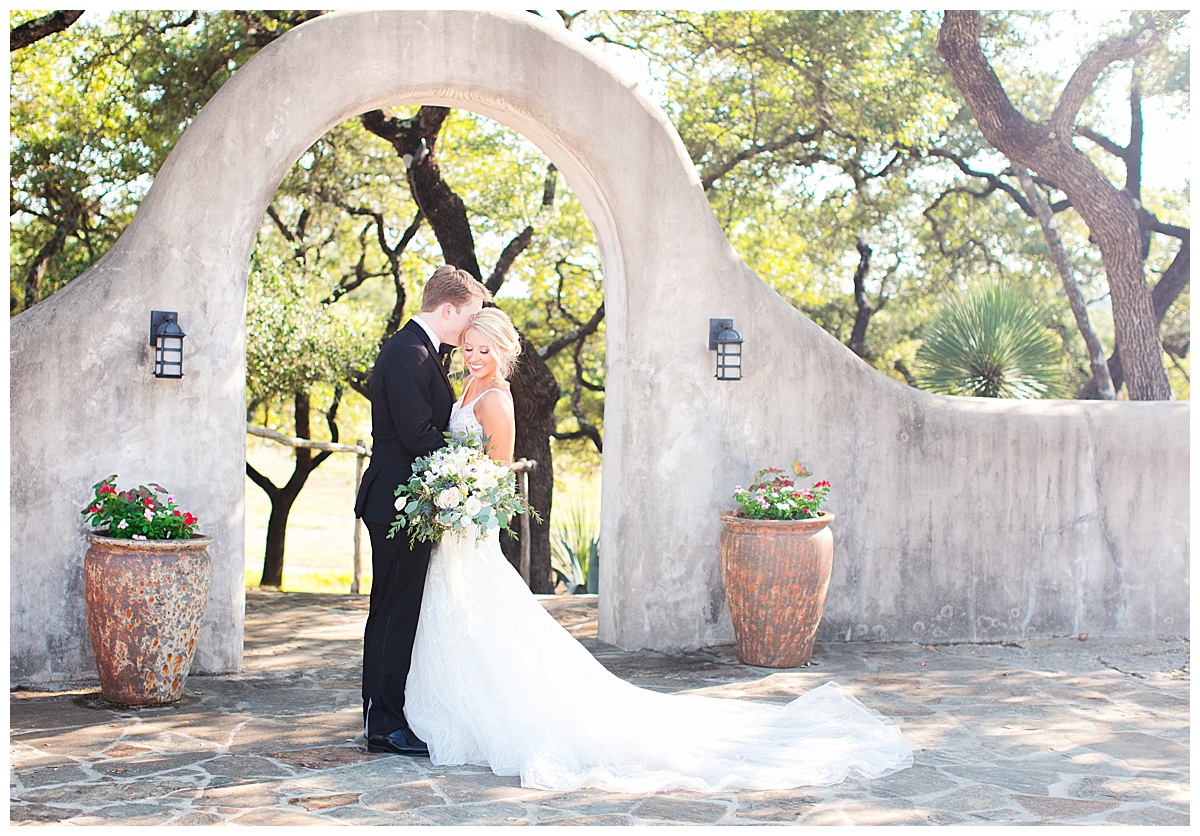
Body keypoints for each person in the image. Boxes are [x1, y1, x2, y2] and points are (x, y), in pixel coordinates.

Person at [403, 308, 916, 792]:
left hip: (471, 524)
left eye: (482, 350)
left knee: (487, 617)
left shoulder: (496, 398)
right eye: (468, 348)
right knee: (463, 615)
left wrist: (463, 493)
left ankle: (497, 711)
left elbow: (497, 471)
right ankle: (458, 708)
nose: (472, 357)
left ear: (503, 352)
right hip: (455, 525)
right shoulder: (467, 386)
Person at [354, 265, 490, 756]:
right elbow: (417, 435)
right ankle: (385, 723)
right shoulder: (410, 353)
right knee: (394, 611)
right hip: (395, 502)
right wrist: (464, 469)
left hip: (402, 499)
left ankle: (382, 714)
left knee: (393, 609)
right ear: (448, 309)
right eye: (470, 316)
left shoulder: (419, 350)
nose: (471, 328)